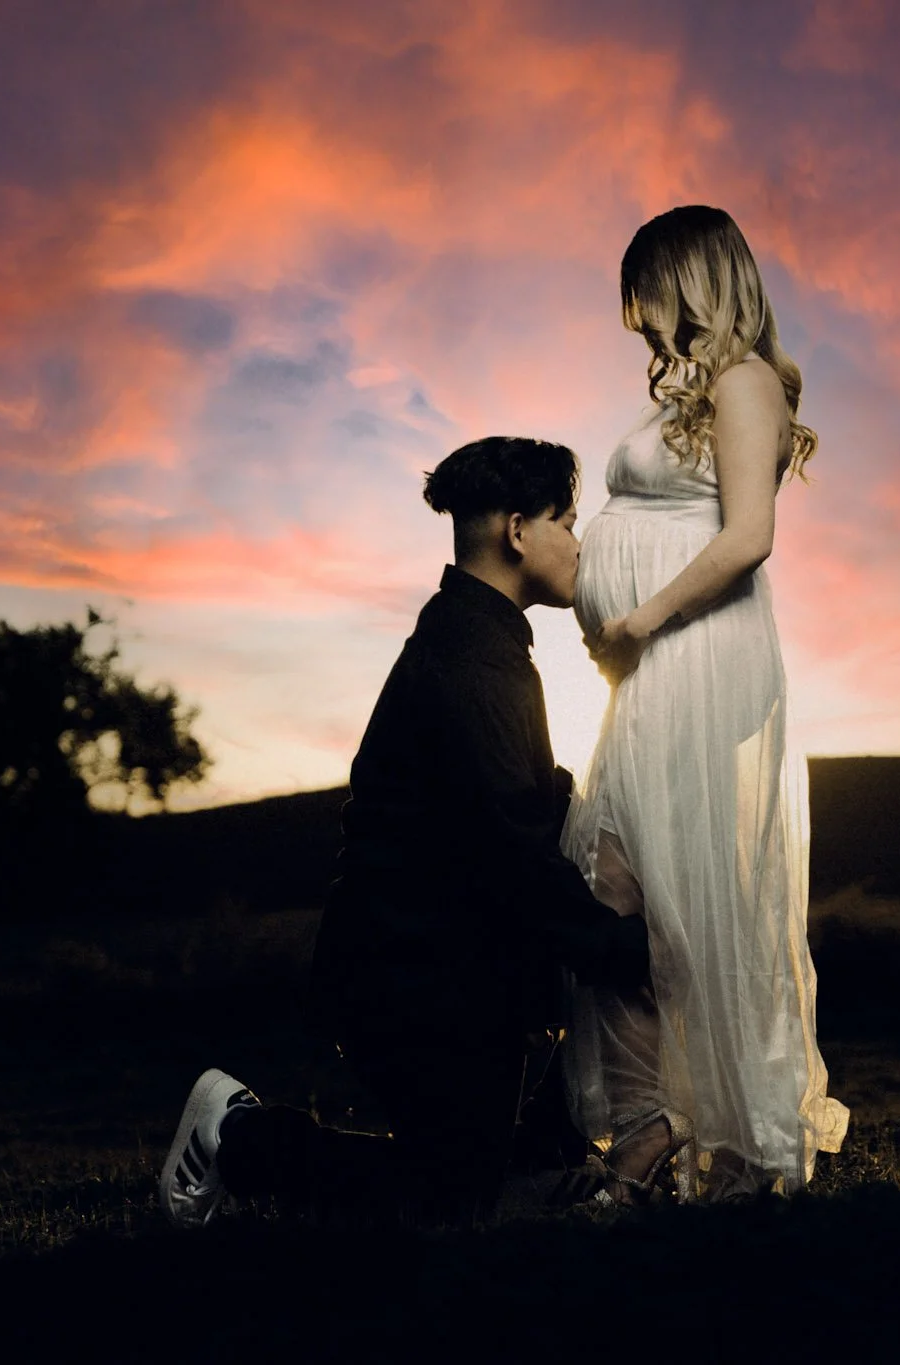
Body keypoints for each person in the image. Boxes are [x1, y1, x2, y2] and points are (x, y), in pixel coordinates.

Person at [159, 436, 652, 1227]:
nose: (578, 543)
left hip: (443, 971)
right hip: (413, 980)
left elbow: (524, 810)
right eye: (567, 521)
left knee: (485, 1179)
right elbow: (511, 851)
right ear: (518, 531)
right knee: (446, 1198)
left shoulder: (477, 640)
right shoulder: (471, 661)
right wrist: (623, 948)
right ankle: (239, 1132)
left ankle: (545, 1158)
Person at [567, 205, 851, 1204]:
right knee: (613, 891)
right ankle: (652, 1127)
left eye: (643, 289)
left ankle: (719, 1139)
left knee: (687, 903)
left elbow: (746, 537)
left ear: (687, 279)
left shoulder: (744, 382)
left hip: (698, 656)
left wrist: (639, 617)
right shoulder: (687, 390)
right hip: (654, 668)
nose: (636, 316)